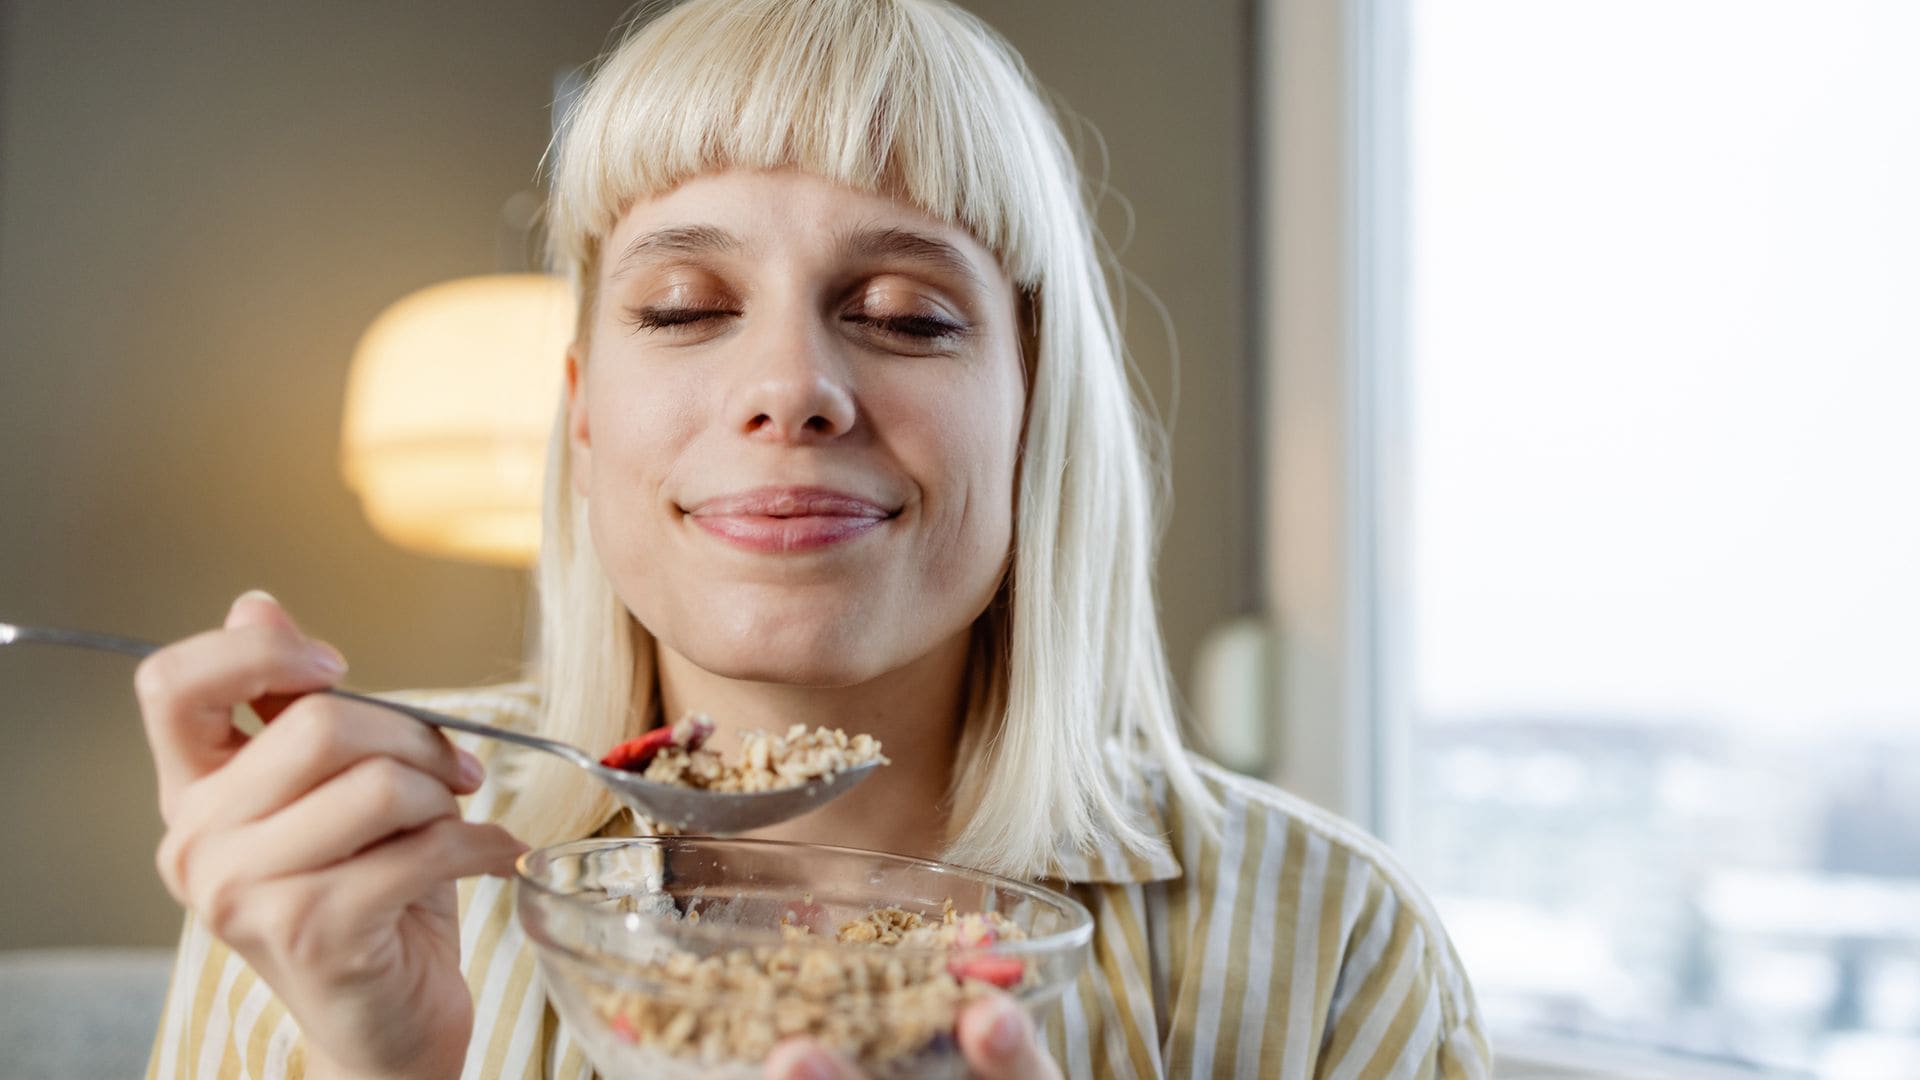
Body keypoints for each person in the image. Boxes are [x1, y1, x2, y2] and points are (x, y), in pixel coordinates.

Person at [140, 1, 1489, 1077]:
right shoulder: (345, 889)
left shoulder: (1330, 946)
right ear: (583, 415)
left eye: (905, 313)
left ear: (1034, 410)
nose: (791, 385)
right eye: (681, 306)